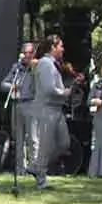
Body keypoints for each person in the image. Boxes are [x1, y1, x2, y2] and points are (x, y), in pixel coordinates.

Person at [30, 34, 71, 190]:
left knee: (64, 143)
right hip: (47, 108)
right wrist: (64, 92)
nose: (63, 49)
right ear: (52, 47)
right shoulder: (46, 64)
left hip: (56, 109)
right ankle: (41, 179)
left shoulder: (53, 64)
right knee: (45, 144)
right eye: (60, 46)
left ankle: (36, 165)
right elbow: (49, 89)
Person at [0, 42, 39, 175]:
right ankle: (20, 169)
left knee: (33, 138)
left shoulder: (36, 68)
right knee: (18, 138)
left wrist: (33, 68)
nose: (27, 56)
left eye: (30, 53)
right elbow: (3, 83)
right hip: (17, 105)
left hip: (31, 104)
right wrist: (12, 86)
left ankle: (34, 167)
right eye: (25, 53)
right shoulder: (16, 68)